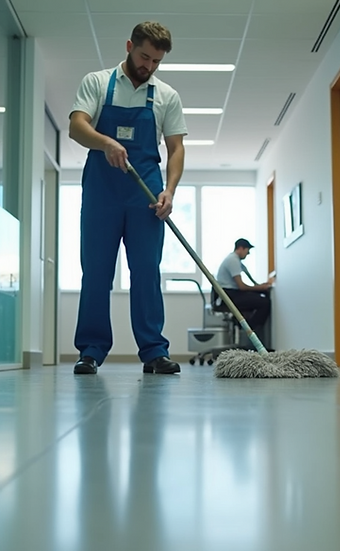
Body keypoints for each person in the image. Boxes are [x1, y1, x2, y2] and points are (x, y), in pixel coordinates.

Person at [68, 21, 188, 375]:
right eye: (144, 56)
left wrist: (170, 190)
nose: (148, 66)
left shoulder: (166, 95)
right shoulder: (97, 83)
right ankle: (90, 350)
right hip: (102, 190)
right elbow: (77, 126)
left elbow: (176, 147)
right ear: (128, 46)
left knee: (147, 272)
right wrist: (105, 142)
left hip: (145, 192)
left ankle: (153, 351)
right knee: (96, 273)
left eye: (156, 61)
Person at [215, 238, 275, 348]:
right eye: (247, 251)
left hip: (231, 294)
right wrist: (261, 288)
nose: (248, 254)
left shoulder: (235, 260)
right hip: (230, 296)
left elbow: (245, 285)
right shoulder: (233, 260)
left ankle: (250, 328)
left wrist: (261, 286)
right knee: (264, 303)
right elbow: (242, 287)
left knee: (260, 297)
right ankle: (249, 329)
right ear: (241, 248)